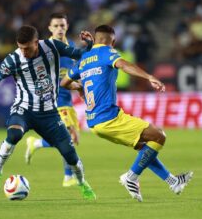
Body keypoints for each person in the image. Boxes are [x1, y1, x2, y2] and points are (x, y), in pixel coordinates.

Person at [0, 25, 96, 200]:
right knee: (14, 134)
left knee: (70, 154)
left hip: (49, 114)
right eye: (20, 47)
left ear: (36, 43)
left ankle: (83, 184)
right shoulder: (13, 59)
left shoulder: (53, 47)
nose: (23, 52)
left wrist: (89, 44)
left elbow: (79, 54)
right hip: (24, 110)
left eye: (27, 48)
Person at [61, 25, 193, 202]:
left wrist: (78, 87)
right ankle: (131, 177)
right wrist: (149, 77)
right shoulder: (107, 53)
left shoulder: (84, 59)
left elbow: (64, 82)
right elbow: (123, 65)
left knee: (145, 148)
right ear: (112, 41)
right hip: (109, 118)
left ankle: (173, 181)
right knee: (159, 136)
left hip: (94, 122)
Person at [25, 13, 80, 187]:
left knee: (71, 138)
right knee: (68, 137)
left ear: (67, 26)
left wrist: (78, 85)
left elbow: (71, 72)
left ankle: (37, 143)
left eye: (62, 25)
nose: (59, 29)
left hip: (67, 99)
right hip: (53, 100)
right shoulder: (44, 47)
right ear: (49, 28)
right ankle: (68, 177)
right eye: (56, 26)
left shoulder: (71, 46)